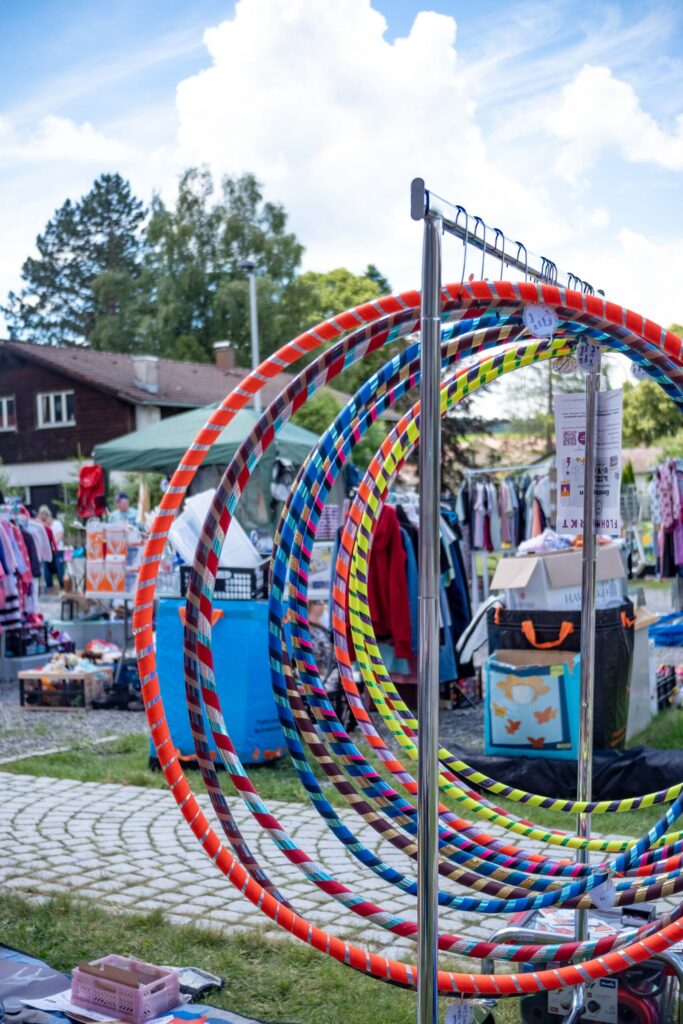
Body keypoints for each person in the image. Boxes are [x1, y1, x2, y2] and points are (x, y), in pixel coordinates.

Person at [38, 505, 64, 590]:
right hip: (47, 551)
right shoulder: (44, 527)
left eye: (46, 518)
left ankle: (62, 586)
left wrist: (52, 543)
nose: (46, 521)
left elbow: (59, 535)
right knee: (47, 570)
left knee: (60, 570)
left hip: (58, 550)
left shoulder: (57, 524)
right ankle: (49, 587)